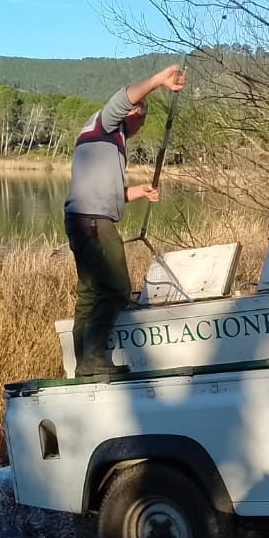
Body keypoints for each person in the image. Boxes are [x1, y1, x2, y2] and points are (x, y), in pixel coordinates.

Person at [64, 64, 188, 376]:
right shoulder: (106, 124)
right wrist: (160, 80)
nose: (139, 129)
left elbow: (105, 191)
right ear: (133, 114)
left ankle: (83, 364)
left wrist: (136, 192)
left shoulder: (104, 138)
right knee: (118, 289)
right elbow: (125, 97)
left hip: (82, 218)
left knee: (90, 293)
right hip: (94, 223)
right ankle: (93, 359)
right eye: (140, 122)